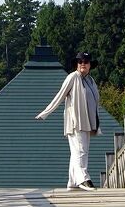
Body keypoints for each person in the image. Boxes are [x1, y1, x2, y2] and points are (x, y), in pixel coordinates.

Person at [35, 51, 100, 190]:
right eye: (80, 61)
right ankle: (83, 179)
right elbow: (60, 96)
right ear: (77, 64)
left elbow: (94, 102)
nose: (83, 64)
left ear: (90, 65)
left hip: (88, 122)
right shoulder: (72, 77)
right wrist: (45, 113)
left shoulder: (90, 80)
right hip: (76, 122)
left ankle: (72, 182)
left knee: (78, 151)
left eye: (86, 62)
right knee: (80, 150)